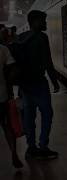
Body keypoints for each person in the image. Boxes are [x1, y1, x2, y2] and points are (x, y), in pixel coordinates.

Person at [18, 10, 60, 159]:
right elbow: (48, 62)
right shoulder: (42, 38)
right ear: (35, 21)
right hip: (39, 84)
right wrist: (54, 82)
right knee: (47, 114)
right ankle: (43, 147)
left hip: (24, 85)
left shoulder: (21, 38)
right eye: (43, 21)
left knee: (29, 117)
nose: (45, 23)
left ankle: (31, 148)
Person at [0, 29, 23, 168]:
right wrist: (8, 84)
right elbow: (14, 69)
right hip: (1, 96)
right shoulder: (2, 49)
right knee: (7, 125)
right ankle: (14, 153)